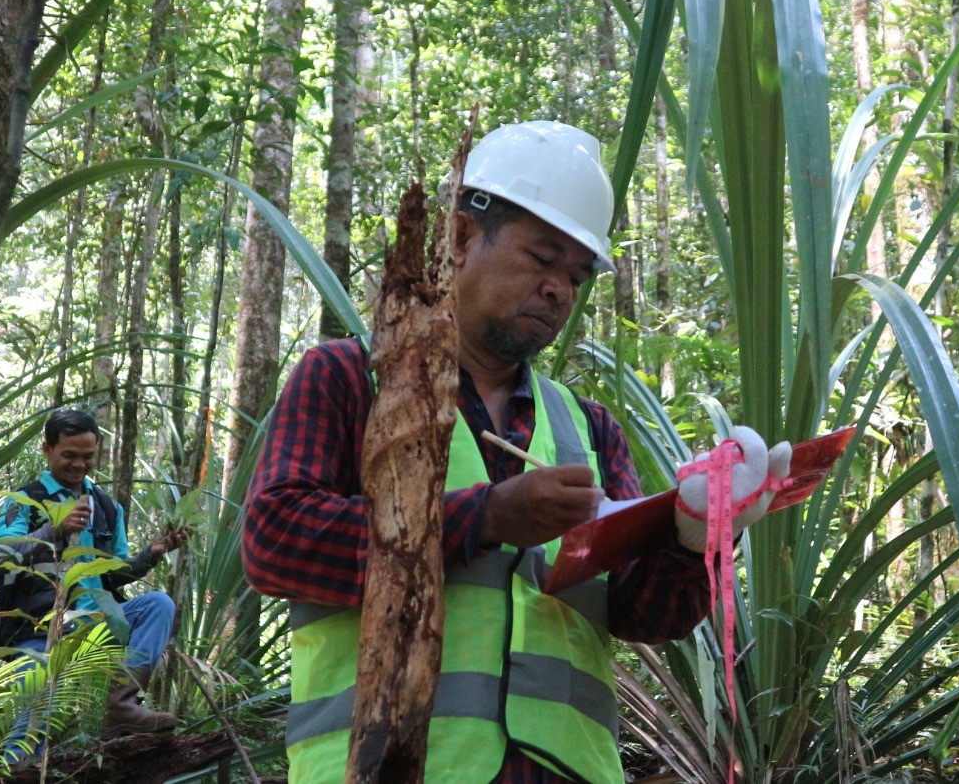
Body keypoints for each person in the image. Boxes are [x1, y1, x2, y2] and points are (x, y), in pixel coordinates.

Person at [243, 120, 786, 783]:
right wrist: (485, 517)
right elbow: (275, 542)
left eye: (576, 275)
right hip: (386, 766)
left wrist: (692, 534)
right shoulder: (348, 378)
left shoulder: (588, 427)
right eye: (540, 259)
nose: (558, 289)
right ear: (462, 238)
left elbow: (642, 613)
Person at [0, 408, 188, 741]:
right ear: (47, 449)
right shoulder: (25, 500)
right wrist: (54, 529)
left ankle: (121, 706)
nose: (79, 464)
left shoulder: (108, 507)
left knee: (158, 605)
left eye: (87, 456)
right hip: (39, 625)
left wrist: (151, 555)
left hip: (96, 620)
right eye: (69, 455)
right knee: (33, 725)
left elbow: (111, 574)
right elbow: (0, 556)